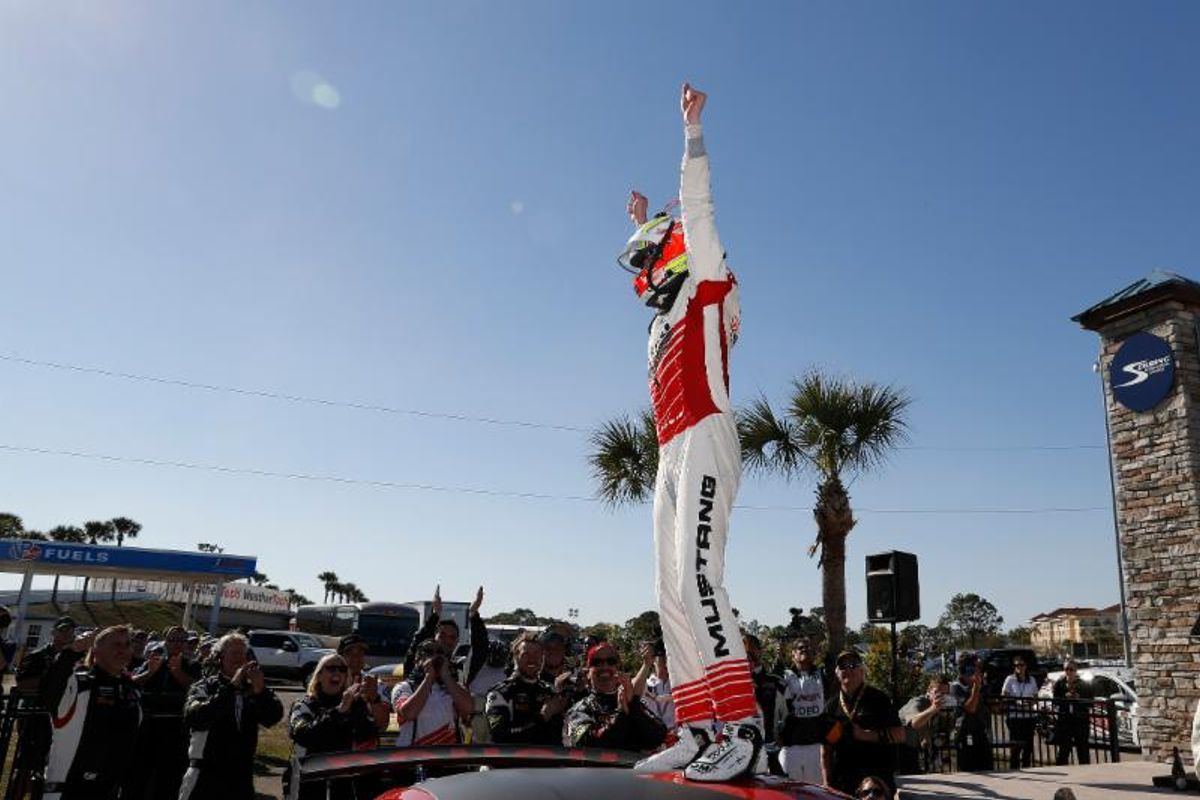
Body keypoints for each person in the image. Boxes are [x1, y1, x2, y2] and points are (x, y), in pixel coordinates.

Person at [618, 82, 759, 782]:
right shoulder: (660, 321)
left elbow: (699, 212)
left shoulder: (707, 283)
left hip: (706, 433)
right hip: (670, 451)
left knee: (701, 578)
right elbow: (648, 266)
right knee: (668, 589)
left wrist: (691, 135)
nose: (643, 275)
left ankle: (743, 727)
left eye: (651, 259)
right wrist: (639, 225)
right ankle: (697, 725)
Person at [179, 633, 284, 800]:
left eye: (243, 654)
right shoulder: (204, 687)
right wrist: (231, 687)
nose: (239, 658)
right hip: (205, 775)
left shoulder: (253, 689)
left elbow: (273, 717)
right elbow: (195, 717)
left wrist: (260, 692)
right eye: (233, 653)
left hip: (241, 776)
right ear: (220, 657)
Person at [42, 625, 141, 800]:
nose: (123, 650)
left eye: (127, 644)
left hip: (110, 788)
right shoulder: (80, 684)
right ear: (96, 650)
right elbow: (50, 690)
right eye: (116, 644)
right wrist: (71, 652)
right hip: (69, 789)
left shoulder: (131, 690)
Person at [287, 652, 379, 800]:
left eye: (342, 669)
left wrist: (369, 701)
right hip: (307, 782)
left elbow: (368, 735)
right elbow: (304, 735)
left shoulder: (355, 704)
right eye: (331, 668)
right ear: (319, 675)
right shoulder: (303, 704)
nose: (337, 672)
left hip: (343, 782)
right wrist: (339, 711)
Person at [128, 624, 200, 800]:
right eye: (172, 639)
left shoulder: (192, 665)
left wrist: (177, 672)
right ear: (165, 642)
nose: (177, 644)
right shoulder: (153, 660)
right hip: (148, 727)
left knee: (169, 778)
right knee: (140, 775)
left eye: (181, 640)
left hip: (176, 729)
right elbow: (132, 682)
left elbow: (195, 687)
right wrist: (151, 672)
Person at [821, 650, 903, 797]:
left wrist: (865, 735)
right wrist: (827, 783)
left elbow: (899, 735)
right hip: (842, 783)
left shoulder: (878, 699)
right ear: (836, 672)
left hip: (876, 782)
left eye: (853, 665)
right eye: (843, 666)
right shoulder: (831, 706)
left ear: (862, 670)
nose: (848, 670)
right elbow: (825, 751)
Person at [564, 642, 667, 752]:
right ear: (588, 672)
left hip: (636, 768)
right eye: (597, 662)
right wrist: (621, 712)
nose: (605, 666)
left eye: (611, 661)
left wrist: (632, 705)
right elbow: (589, 745)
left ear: (617, 668)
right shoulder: (579, 710)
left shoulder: (631, 703)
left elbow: (658, 737)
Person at [486, 634, 568, 745]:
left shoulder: (550, 691)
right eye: (526, 654)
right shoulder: (501, 693)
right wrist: (542, 717)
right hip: (514, 760)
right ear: (516, 657)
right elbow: (499, 734)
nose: (532, 659)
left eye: (537, 654)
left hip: (548, 760)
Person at [403, 585, 489, 686]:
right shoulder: (418, 665)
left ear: (457, 641)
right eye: (442, 635)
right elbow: (417, 643)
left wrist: (474, 614)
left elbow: (480, 650)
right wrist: (435, 615)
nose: (447, 640)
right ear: (434, 637)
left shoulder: (460, 671)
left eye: (452, 637)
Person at [393, 639, 473, 746]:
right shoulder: (404, 687)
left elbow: (468, 708)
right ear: (416, 661)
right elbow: (409, 713)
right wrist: (429, 677)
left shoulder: (452, 687)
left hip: (446, 756)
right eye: (429, 653)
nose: (434, 658)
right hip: (415, 756)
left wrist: (445, 675)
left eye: (439, 653)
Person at [779, 638, 827, 782]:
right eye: (800, 648)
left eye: (809, 647)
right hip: (791, 747)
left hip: (817, 746)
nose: (805, 650)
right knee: (790, 794)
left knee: (816, 793)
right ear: (793, 654)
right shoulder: (784, 675)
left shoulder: (822, 673)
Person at [338, 633, 391, 745]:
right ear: (340, 656)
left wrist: (374, 699)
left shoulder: (375, 684)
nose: (356, 658)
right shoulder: (330, 682)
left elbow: (383, 725)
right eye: (350, 653)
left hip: (365, 754)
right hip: (334, 752)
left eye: (360, 653)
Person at [949, 653, 992, 771]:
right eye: (974, 669)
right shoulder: (956, 687)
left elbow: (990, 707)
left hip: (980, 732)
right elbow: (970, 708)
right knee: (968, 770)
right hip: (964, 733)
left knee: (987, 767)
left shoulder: (981, 685)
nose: (977, 672)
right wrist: (976, 689)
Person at [467, 639, 510, 743]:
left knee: (493, 746)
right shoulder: (475, 667)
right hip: (477, 711)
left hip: (496, 710)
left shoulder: (508, 671)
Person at [1052, 659, 1094, 765]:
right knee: (1064, 750)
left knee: (1083, 750)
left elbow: (1091, 703)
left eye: (1071, 669)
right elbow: (1055, 701)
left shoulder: (1084, 684)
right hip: (1065, 721)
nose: (1069, 672)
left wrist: (1079, 698)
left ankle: (1086, 773)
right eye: (1066, 669)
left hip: (1080, 721)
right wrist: (1064, 698)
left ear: (1076, 670)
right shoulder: (1059, 684)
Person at [1001, 655, 1039, 769]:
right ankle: (1014, 769)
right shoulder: (1010, 679)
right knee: (1015, 747)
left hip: (1028, 717)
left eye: (1021, 665)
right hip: (1015, 717)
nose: (1019, 667)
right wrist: (1016, 703)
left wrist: (1030, 703)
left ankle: (1027, 767)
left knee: (1028, 747)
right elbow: (1004, 696)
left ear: (1026, 666)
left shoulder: (1031, 680)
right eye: (1016, 665)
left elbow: (1036, 696)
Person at [633, 639, 675, 729]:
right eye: (661, 656)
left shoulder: (680, 682)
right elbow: (632, 693)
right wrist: (646, 664)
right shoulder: (645, 683)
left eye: (667, 656)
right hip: (656, 736)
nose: (665, 660)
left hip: (682, 735)